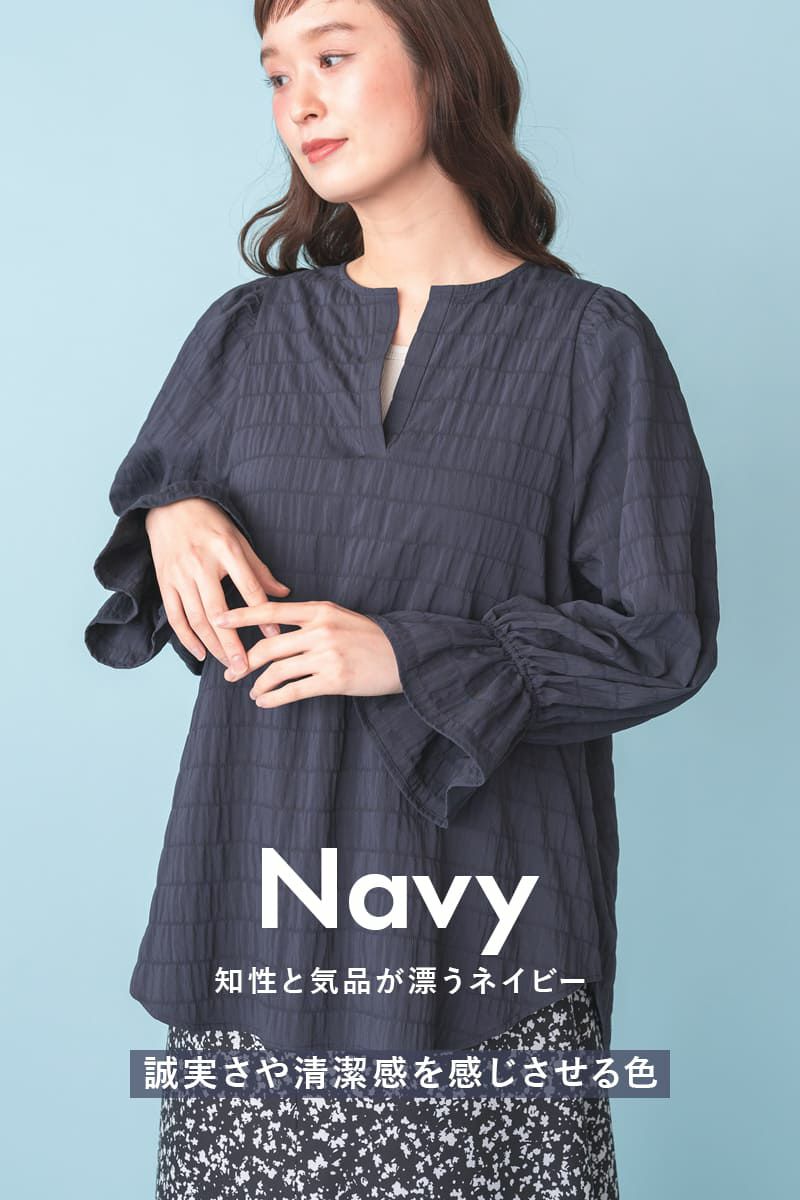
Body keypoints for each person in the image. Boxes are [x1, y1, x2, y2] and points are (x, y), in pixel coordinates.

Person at [85, 0, 720, 1196]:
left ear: (442, 61)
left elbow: (660, 638)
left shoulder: (591, 346)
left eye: (331, 56)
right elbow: (169, 571)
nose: (300, 103)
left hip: (486, 956)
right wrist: (169, 513)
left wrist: (406, 655)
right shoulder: (244, 335)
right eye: (276, 75)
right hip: (258, 944)